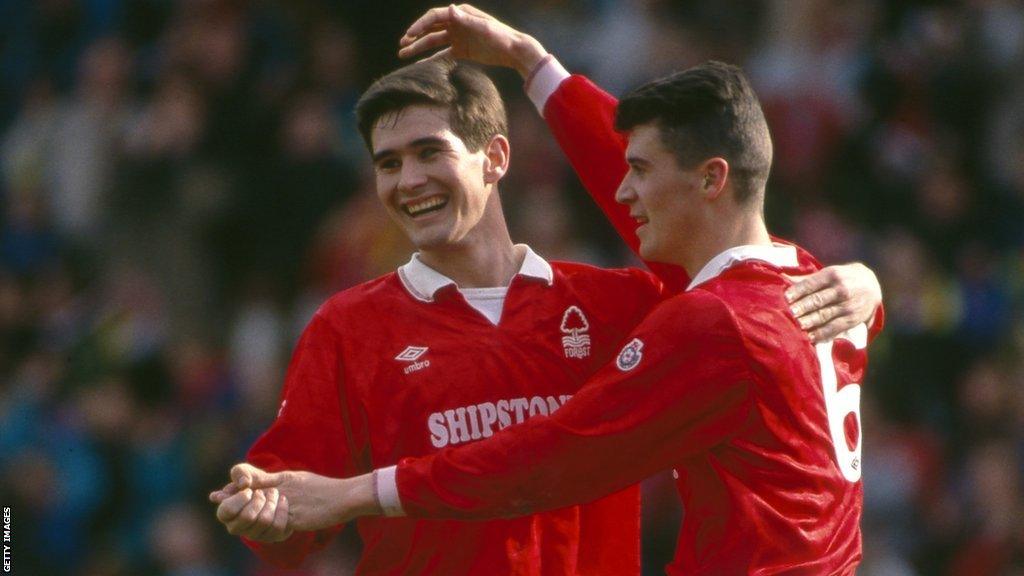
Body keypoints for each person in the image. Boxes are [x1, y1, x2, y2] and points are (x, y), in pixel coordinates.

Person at [211, 12, 881, 574]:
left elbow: (706, 241)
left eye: (429, 152)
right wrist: (266, 514)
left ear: (496, 158)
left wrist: (536, 68)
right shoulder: (349, 328)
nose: (407, 180)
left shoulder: (625, 307)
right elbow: (294, 510)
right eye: (388, 164)